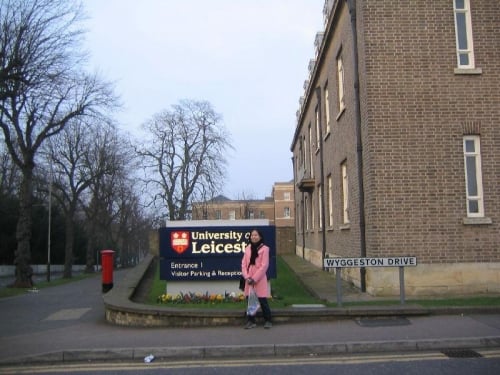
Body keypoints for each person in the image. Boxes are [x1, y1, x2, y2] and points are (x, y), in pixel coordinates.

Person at [241, 229, 272, 329]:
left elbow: (264, 265)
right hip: (249, 279)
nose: (254, 237)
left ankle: (268, 320)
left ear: (260, 236)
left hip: (259, 279)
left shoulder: (265, 249)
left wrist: (254, 278)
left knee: (262, 300)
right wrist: (247, 277)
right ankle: (251, 321)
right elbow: (243, 264)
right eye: (252, 235)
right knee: (250, 300)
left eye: (256, 235)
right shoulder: (247, 248)